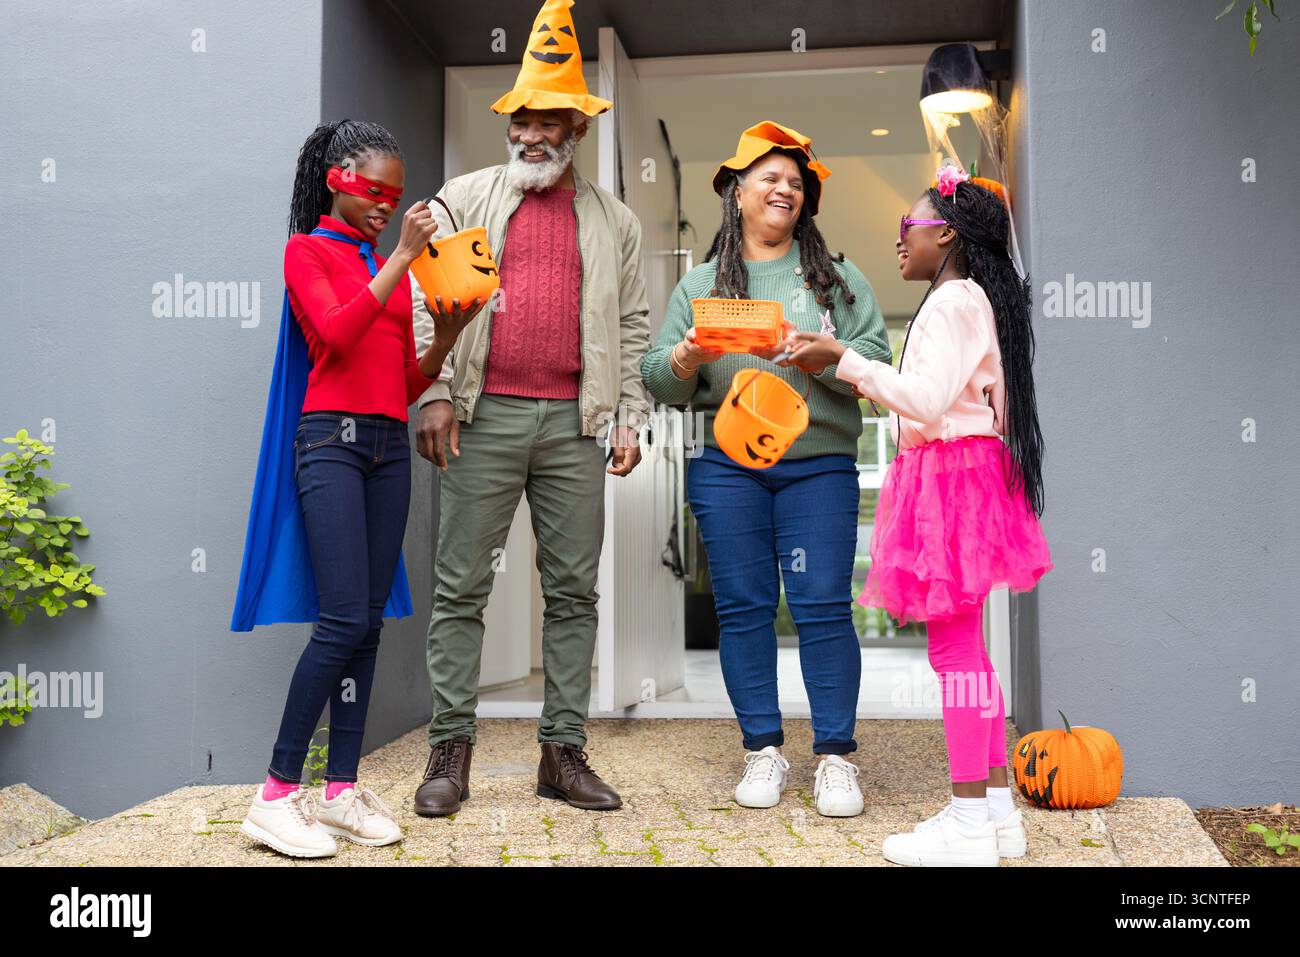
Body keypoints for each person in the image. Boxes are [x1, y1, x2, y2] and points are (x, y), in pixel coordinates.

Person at [409, 0, 651, 816]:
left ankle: (562, 751)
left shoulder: (615, 220)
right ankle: (450, 749)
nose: (534, 135)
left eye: (551, 121)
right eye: (524, 120)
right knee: (460, 587)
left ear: (577, 131)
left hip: (574, 423)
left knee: (574, 592)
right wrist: (435, 390)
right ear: (509, 124)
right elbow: (421, 292)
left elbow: (633, 324)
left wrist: (629, 414)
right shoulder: (465, 195)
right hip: (482, 415)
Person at [783, 165, 1053, 865]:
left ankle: (968, 820)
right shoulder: (967, 299)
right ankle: (995, 813)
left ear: (948, 233)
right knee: (971, 655)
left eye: (908, 228)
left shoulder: (952, 302)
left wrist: (843, 359)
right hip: (966, 477)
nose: (898, 241)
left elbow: (926, 400)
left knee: (956, 654)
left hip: (952, 484)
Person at [235, 120, 478, 858]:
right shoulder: (306, 251)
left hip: (383, 444)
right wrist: (403, 255)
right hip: (329, 444)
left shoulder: (385, 266)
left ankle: (341, 790)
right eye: (375, 191)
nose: (387, 204)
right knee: (340, 621)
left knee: (369, 624)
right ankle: (275, 794)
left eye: (395, 195)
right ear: (338, 179)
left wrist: (445, 337)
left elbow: (400, 384)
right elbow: (337, 336)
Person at [641, 122, 891, 817]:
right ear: (737, 193)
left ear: (805, 201)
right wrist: (687, 358)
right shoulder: (697, 285)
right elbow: (660, 378)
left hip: (818, 468)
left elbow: (876, 360)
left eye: (795, 181)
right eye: (770, 178)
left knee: (820, 606)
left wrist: (827, 354)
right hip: (729, 470)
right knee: (744, 608)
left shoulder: (837, 279)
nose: (785, 188)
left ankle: (836, 757)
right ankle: (762, 749)